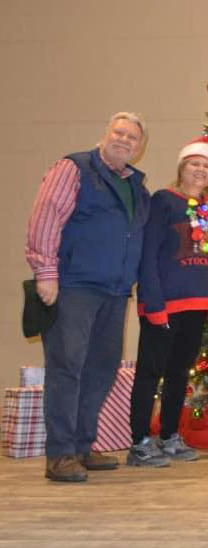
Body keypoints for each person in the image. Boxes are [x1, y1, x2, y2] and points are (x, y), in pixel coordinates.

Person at [26, 112, 151, 482]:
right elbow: (46, 217)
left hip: (114, 293)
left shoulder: (136, 187)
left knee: (101, 368)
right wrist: (46, 273)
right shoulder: (74, 168)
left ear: (140, 148)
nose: (124, 140)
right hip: (74, 286)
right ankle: (61, 453)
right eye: (119, 132)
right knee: (67, 366)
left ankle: (82, 444)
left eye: (133, 138)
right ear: (105, 134)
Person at [128, 137, 208, 467]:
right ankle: (140, 441)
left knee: (179, 372)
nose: (200, 170)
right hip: (165, 304)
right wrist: (153, 303)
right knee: (150, 372)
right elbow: (149, 253)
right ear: (182, 168)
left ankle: (169, 435)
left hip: (198, 305)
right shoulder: (163, 201)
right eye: (194, 164)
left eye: (206, 166)